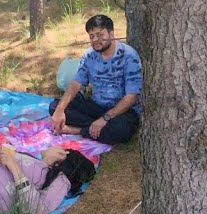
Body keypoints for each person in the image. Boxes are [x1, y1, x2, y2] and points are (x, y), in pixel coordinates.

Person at [50, 14, 142, 145]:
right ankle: (96, 128)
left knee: (121, 130)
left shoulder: (129, 55)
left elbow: (131, 97)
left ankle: (77, 130)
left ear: (111, 34)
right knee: (54, 107)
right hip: (96, 106)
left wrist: (105, 118)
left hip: (122, 111)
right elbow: (75, 84)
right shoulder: (89, 55)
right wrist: (60, 110)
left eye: (100, 35)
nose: (95, 40)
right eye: (91, 36)